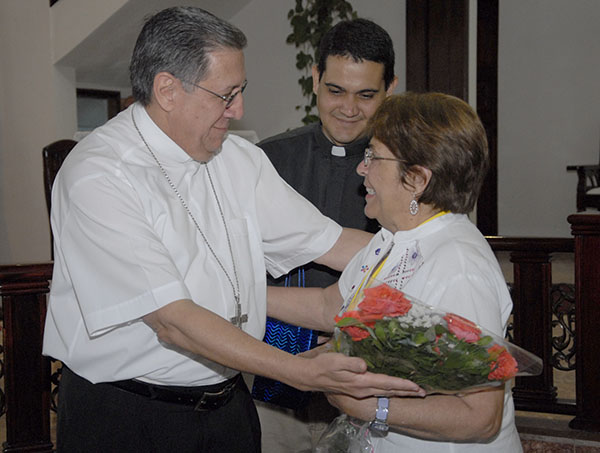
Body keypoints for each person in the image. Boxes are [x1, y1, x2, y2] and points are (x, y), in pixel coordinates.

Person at [41, 8, 424, 453]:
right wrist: (298, 371)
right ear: (167, 89)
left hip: (228, 404)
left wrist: (436, 248)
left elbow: (335, 244)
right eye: (227, 95)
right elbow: (173, 321)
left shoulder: (238, 159)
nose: (239, 109)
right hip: (129, 412)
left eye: (240, 92)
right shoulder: (99, 173)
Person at [268, 92, 522, 452]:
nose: (362, 168)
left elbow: (481, 415)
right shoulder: (391, 238)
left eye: (373, 156)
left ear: (417, 179)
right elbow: (330, 306)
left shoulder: (458, 265)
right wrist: (241, 293)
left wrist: (371, 406)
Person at [255, 18, 398, 451]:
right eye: (335, 90)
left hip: (370, 382)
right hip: (276, 376)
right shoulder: (267, 161)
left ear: (390, 88)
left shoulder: (408, 170)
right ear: (315, 78)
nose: (349, 108)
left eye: (366, 95)